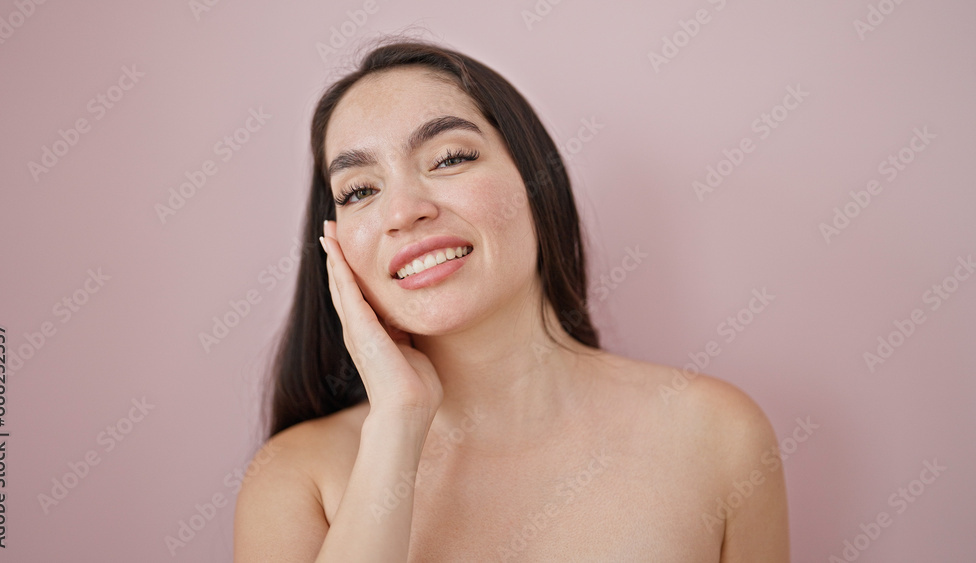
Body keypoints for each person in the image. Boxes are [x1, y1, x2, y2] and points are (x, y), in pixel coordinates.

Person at [233, 38, 790, 562]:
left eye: (449, 158)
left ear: (535, 181)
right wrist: (399, 422)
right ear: (334, 245)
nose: (403, 212)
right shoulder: (294, 478)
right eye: (359, 191)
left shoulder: (718, 434)